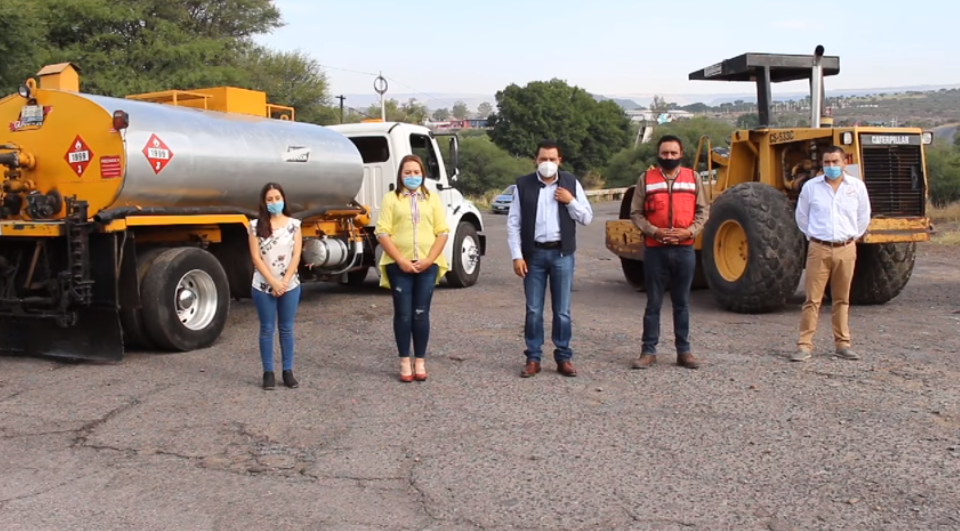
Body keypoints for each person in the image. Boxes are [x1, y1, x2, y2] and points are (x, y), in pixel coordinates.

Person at [507, 140, 593, 378]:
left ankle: (563, 357)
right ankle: (533, 358)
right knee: (534, 309)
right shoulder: (523, 185)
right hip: (533, 255)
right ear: (536, 160)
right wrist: (517, 256)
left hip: (562, 254)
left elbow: (586, 217)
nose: (547, 163)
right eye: (543, 159)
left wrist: (570, 200)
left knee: (562, 310)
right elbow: (514, 222)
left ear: (559, 161)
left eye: (552, 159)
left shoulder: (570, 183)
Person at [628, 134, 710, 370]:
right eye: (665, 153)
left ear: (681, 154)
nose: (669, 157)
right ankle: (648, 351)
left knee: (682, 302)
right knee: (653, 302)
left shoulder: (692, 178)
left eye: (673, 153)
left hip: (684, 250)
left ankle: (684, 352)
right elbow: (636, 213)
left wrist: (690, 232)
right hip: (656, 251)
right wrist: (654, 232)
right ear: (658, 154)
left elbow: (703, 211)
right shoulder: (647, 179)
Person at [375, 154, 450, 382]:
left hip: (427, 265)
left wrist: (429, 260)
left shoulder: (432, 199)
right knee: (403, 313)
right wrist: (401, 260)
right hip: (399, 266)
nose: (412, 176)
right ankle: (404, 361)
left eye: (416, 172)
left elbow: (442, 231)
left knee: (421, 313)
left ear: (422, 175)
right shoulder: (391, 199)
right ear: (400, 175)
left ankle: (420, 360)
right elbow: (382, 232)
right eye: (407, 172)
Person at [792, 145, 870, 362]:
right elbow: (802, 217)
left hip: (846, 248)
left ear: (844, 163)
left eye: (835, 162)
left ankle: (842, 343)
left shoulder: (856, 187)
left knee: (842, 299)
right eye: (827, 162)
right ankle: (805, 345)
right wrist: (815, 237)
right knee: (812, 299)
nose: (831, 166)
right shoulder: (811, 187)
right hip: (819, 248)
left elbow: (863, 216)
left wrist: (852, 236)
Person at [248, 182, 303, 390]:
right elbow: (255, 256)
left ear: (284, 199)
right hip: (263, 286)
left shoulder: (294, 225)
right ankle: (268, 372)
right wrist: (272, 282)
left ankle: (287, 371)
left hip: (290, 285)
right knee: (266, 329)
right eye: (269, 199)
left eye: (277, 198)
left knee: (287, 328)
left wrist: (284, 282)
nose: (274, 203)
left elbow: (297, 254)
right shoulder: (254, 226)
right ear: (264, 202)